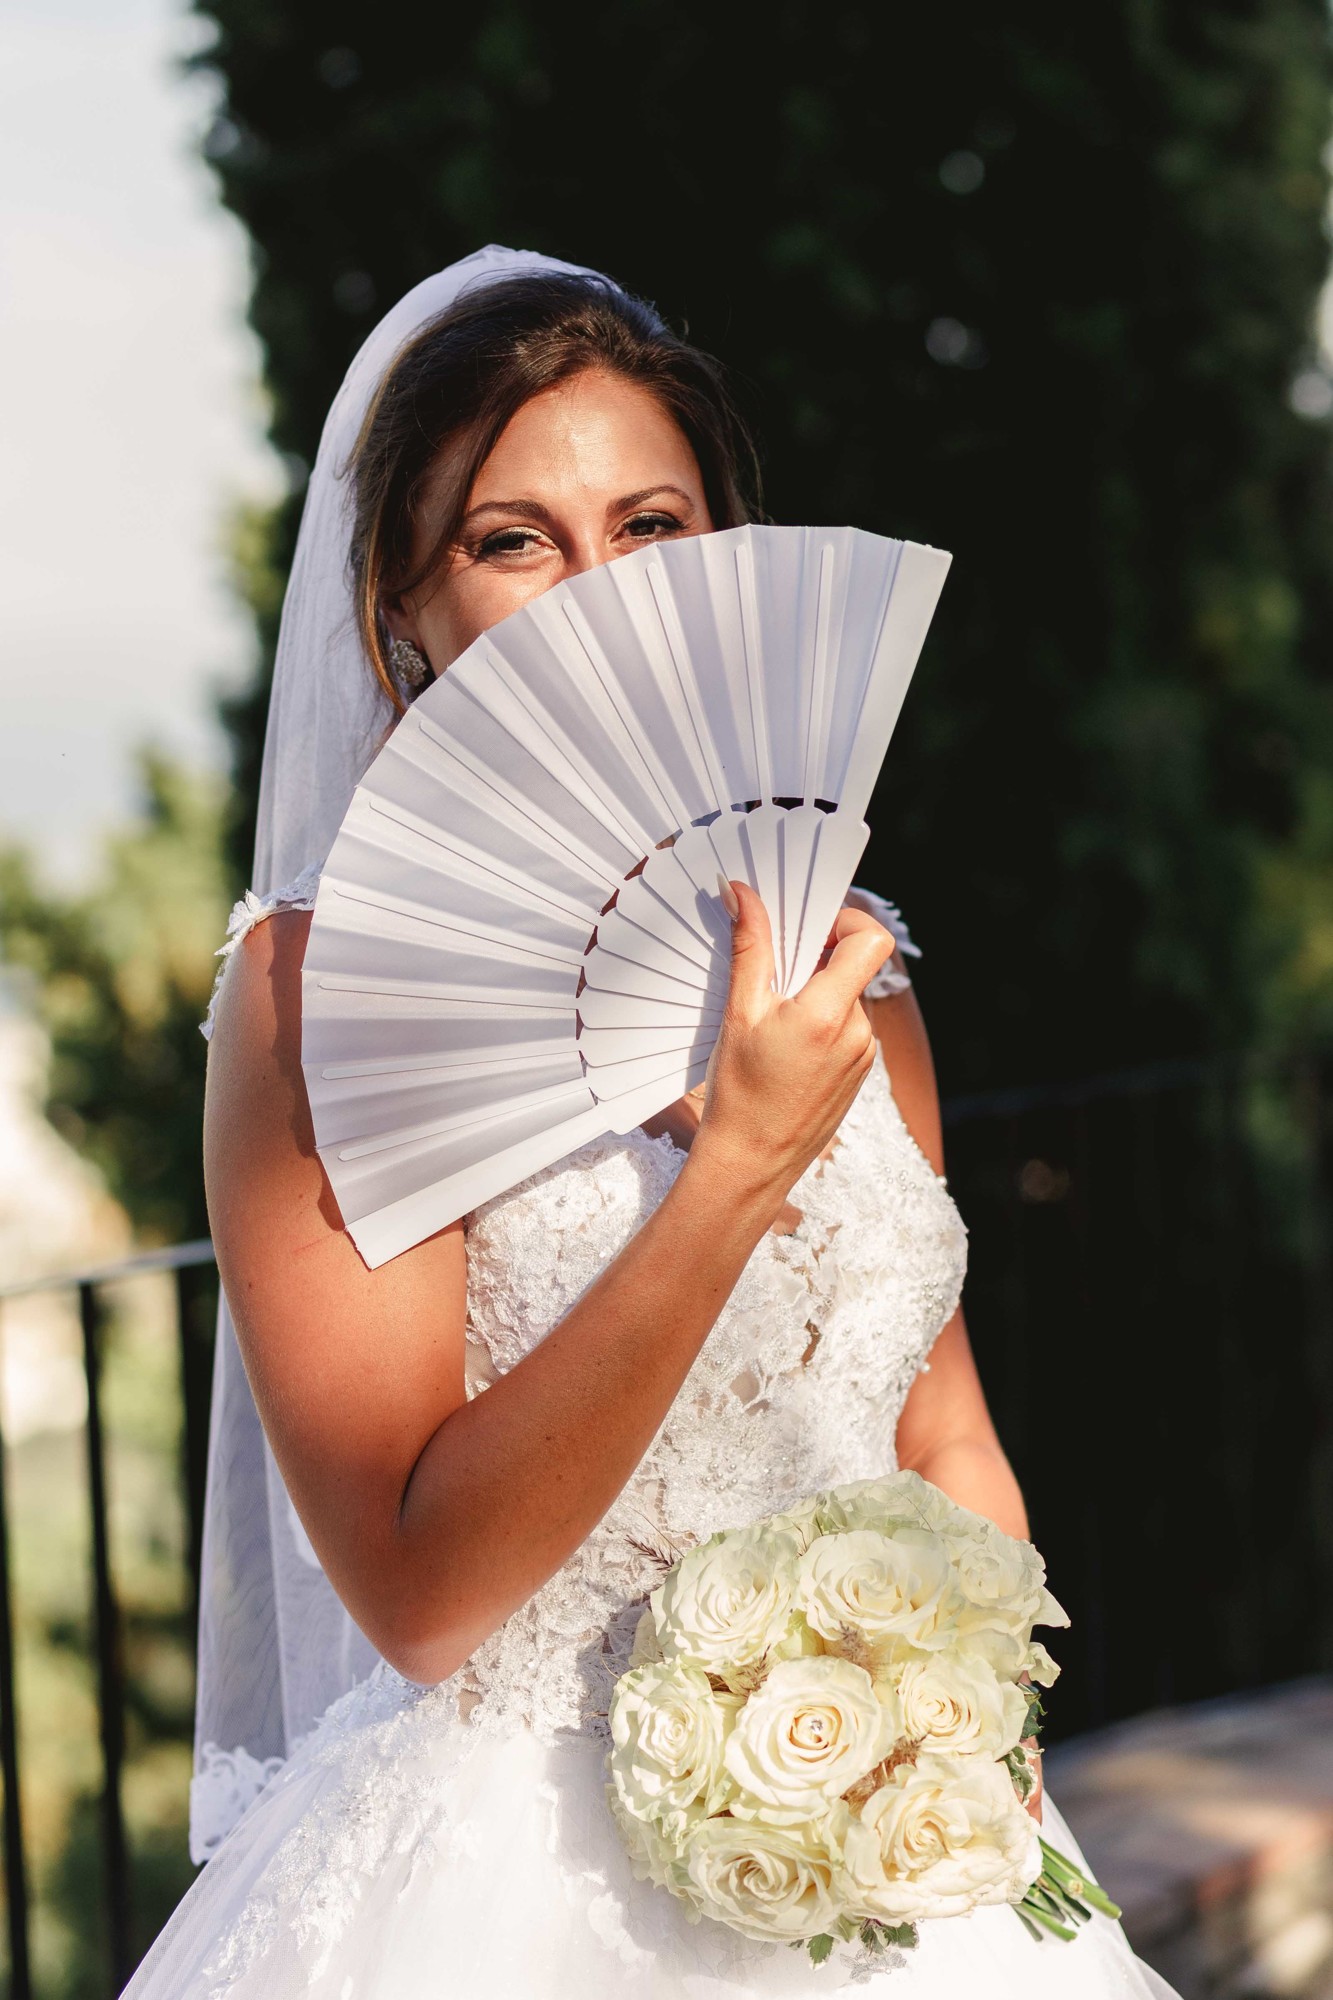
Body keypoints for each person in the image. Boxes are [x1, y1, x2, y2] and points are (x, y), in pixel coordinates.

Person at [123, 246, 1179, 1997]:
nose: (597, 589)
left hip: (892, 1860)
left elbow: (940, 1439)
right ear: (404, 603)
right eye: (512, 538)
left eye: (650, 526)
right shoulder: (323, 995)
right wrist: (733, 1179)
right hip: (508, 1892)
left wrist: (961, 1738)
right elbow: (419, 1593)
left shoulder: (846, 961)